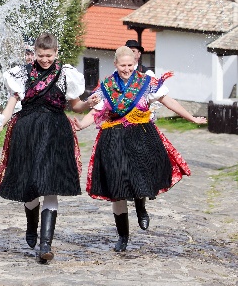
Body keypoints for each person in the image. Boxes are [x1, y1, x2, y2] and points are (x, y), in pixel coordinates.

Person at [73, 46, 207, 252]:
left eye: (130, 65)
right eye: (123, 65)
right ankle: (123, 237)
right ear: (115, 65)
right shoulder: (106, 85)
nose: (127, 69)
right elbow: (95, 110)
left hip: (141, 135)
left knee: (140, 176)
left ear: (135, 64)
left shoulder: (146, 83)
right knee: (117, 188)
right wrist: (82, 124)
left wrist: (191, 117)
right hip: (113, 138)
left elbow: (168, 101)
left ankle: (141, 206)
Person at [0, 32, 98, 264]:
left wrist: (87, 103)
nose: (45, 59)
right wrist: (0, 122)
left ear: (56, 53)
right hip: (26, 133)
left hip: (55, 133)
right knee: (30, 185)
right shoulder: (22, 73)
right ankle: (31, 226)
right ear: (34, 53)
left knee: (50, 185)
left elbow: (76, 106)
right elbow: (11, 105)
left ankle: (45, 245)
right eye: (40, 55)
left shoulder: (66, 75)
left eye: (49, 55)